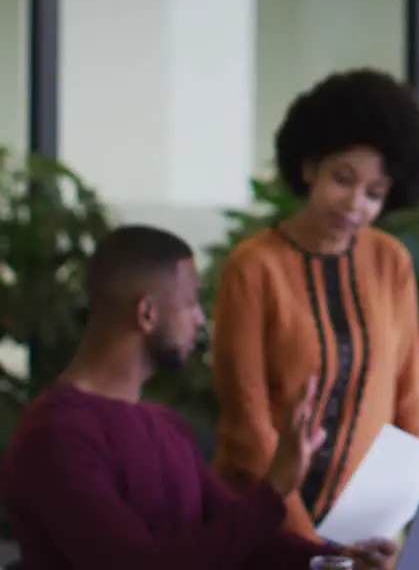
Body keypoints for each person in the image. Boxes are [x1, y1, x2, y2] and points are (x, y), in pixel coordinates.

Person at [0, 225, 395, 569]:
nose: (200, 319)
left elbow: (241, 543)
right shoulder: (55, 435)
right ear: (147, 314)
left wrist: (336, 560)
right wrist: (275, 486)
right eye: (190, 302)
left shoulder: (166, 426)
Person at [211, 68, 419, 542]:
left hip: (365, 534)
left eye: (374, 193)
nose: (354, 203)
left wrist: (397, 525)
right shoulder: (253, 268)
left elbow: (411, 401)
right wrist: (308, 547)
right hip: (263, 527)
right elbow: (248, 427)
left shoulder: (389, 262)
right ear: (309, 166)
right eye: (343, 178)